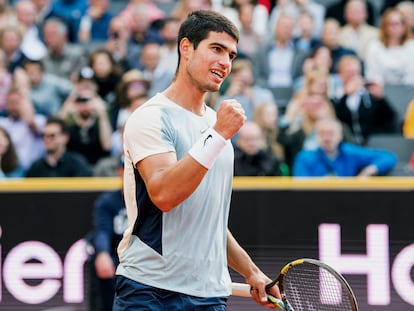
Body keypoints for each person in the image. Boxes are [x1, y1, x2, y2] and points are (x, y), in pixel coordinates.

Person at [113, 10, 281, 310]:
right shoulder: (151, 117)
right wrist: (217, 135)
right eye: (216, 49)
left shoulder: (217, 127)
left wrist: (251, 271)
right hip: (148, 289)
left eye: (231, 55)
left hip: (207, 293)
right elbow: (164, 194)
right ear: (186, 47)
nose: (225, 63)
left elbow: (209, 220)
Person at [292, 117, 398, 177]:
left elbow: (388, 157)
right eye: (322, 133)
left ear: (340, 136)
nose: (327, 138)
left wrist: (369, 170)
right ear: (316, 137)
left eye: (331, 133)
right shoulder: (304, 157)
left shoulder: (349, 152)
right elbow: (300, 185)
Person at [87, 159, 127, 311]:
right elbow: (102, 231)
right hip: (117, 259)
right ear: (119, 171)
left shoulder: (149, 198)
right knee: (100, 263)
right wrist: (102, 253)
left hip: (143, 260)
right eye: (125, 168)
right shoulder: (107, 202)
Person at [25, 116, 92, 177]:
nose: (46, 139)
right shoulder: (36, 167)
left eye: (52, 136)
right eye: (44, 135)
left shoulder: (77, 164)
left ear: (65, 137)